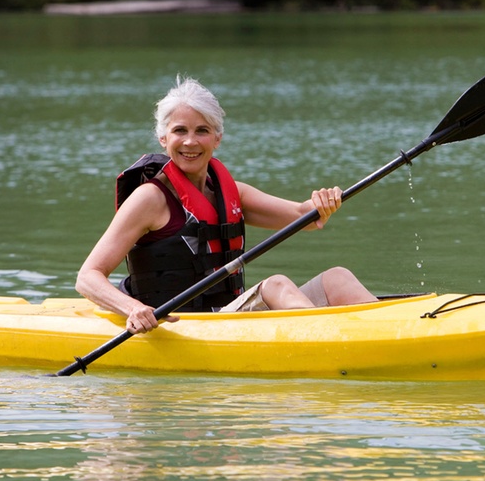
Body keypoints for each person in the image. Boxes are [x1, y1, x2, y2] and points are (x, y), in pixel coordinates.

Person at [76, 76, 377, 334]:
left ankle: (391, 331)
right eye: (180, 131)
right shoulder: (150, 199)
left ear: (217, 138)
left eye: (202, 131)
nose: (190, 142)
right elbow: (87, 277)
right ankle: (338, 346)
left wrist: (321, 202)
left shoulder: (232, 194)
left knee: (337, 278)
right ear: (163, 138)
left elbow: (306, 217)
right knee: (275, 284)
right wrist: (135, 309)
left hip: (226, 319)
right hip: (181, 324)